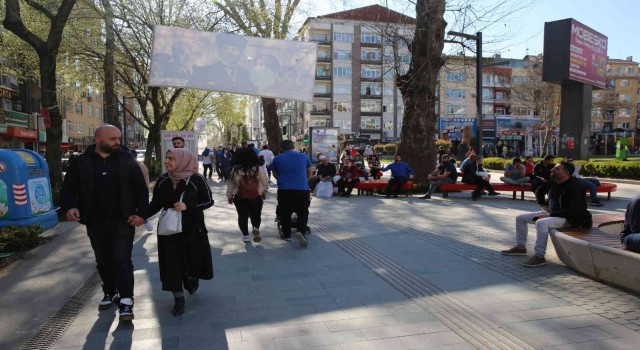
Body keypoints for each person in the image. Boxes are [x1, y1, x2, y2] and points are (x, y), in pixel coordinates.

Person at [61, 125, 149, 322]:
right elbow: (68, 188)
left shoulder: (126, 160)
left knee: (121, 259)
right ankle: (109, 290)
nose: (117, 142)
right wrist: (70, 207)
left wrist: (141, 214)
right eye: (112, 139)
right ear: (98, 139)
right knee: (103, 260)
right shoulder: (82, 162)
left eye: (118, 138)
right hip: (95, 221)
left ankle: (126, 300)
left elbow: (141, 190)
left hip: (123, 220)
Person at [142, 148, 213, 316]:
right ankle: (178, 298)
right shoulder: (163, 180)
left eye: (171, 159)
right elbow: (156, 204)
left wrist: (188, 206)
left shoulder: (196, 179)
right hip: (169, 231)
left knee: (193, 260)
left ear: (182, 160)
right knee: (171, 264)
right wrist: (140, 216)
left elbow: (208, 200)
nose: (167, 162)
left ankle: (192, 279)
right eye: (166, 158)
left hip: (193, 229)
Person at [501, 161, 592, 267]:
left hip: (571, 219)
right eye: (554, 167)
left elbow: (575, 210)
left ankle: (539, 256)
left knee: (541, 223)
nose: (552, 169)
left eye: (557, 169)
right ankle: (521, 247)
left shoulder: (576, 187)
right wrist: (542, 204)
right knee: (520, 218)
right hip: (553, 214)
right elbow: (539, 190)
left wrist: (550, 215)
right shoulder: (553, 181)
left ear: (566, 173)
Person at [271, 140, 314, 247]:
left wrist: (281, 180)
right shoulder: (304, 156)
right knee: (303, 212)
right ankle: (301, 231)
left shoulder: (277, 158)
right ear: (293, 146)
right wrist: (305, 180)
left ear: (281, 148)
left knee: (285, 212)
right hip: (302, 188)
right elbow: (310, 171)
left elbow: (274, 173)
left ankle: (286, 233)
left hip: (284, 189)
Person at [226, 148, 268, 243]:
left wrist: (229, 195)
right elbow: (264, 182)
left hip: (240, 196)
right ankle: (255, 228)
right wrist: (263, 192)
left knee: (242, 216)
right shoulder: (258, 168)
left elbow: (231, 184)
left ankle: (246, 236)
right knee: (256, 215)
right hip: (256, 195)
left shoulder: (235, 170)